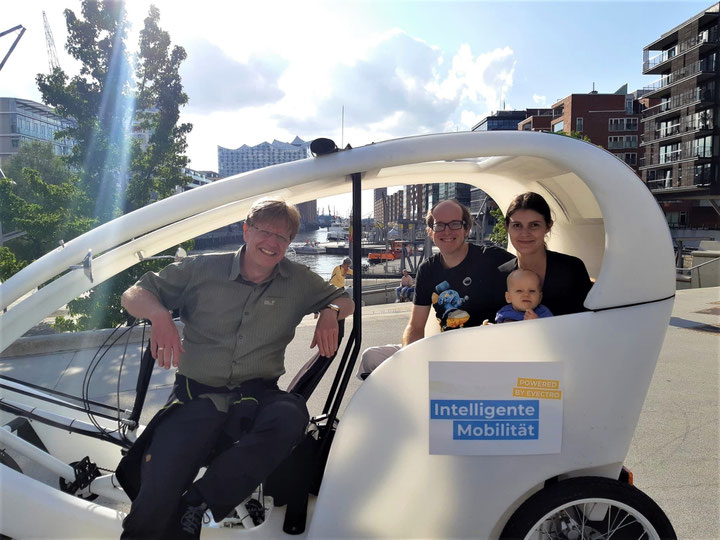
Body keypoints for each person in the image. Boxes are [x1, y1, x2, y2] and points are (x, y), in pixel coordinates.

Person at [115, 199, 353, 539]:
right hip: (196, 397)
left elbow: (347, 300)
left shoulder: (298, 280)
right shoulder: (199, 269)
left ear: (290, 244)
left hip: (257, 396)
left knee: (291, 414)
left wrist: (330, 308)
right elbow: (133, 294)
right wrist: (159, 314)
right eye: (265, 232)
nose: (272, 243)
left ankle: (198, 504)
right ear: (246, 230)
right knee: (160, 483)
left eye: (282, 237)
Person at [357, 199, 513, 378]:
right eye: (439, 225)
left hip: (484, 356)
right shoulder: (427, 269)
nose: (447, 231)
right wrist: (410, 358)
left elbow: (531, 275)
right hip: (444, 351)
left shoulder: (493, 260)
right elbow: (415, 327)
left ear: (466, 228)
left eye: (454, 224)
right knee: (371, 357)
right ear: (430, 232)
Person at [498, 192, 592, 316]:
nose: (525, 233)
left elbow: (588, 321)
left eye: (534, 225)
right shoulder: (501, 275)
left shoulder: (572, 269)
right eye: (517, 225)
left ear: (548, 226)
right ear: (507, 227)